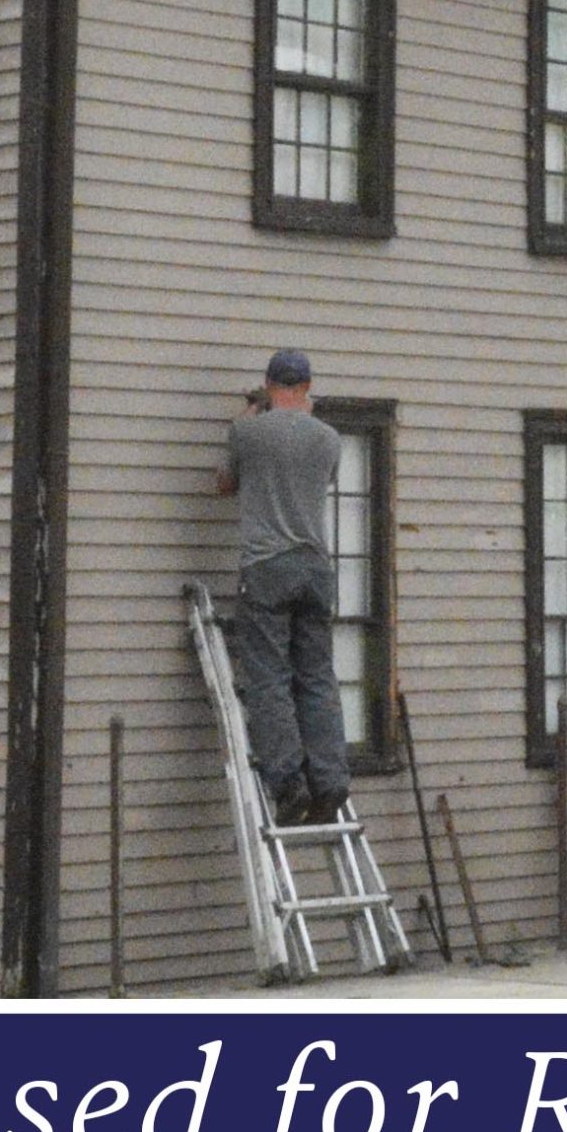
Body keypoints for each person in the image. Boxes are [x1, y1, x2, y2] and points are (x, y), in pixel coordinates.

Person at [215, 349, 349, 825]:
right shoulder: (329, 439)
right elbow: (320, 482)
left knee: (270, 677)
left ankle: (288, 785)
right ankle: (330, 784)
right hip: (315, 568)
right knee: (316, 676)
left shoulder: (246, 431)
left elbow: (224, 484)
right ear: (308, 387)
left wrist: (249, 415)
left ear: (269, 385)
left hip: (267, 566)